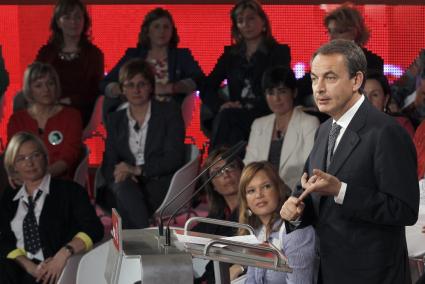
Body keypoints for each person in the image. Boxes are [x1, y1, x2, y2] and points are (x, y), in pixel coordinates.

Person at [280, 39, 419, 283]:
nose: (319, 88)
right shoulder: (324, 130)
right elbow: (312, 196)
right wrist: (296, 211)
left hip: (373, 276)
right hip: (328, 272)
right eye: (314, 78)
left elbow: (405, 211)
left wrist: (342, 191)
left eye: (330, 78)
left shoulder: (386, 132)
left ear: (356, 81)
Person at [0, 132, 103, 284]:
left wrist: (64, 253)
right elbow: (4, 239)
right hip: (17, 271)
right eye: (21, 158)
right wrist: (30, 267)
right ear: (13, 166)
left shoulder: (70, 191)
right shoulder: (9, 198)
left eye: (35, 155)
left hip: (55, 270)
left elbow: (94, 229)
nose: (30, 163)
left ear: (45, 158)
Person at [101, 58, 185, 229]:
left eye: (142, 84)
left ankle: (134, 243)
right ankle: (142, 239)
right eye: (130, 85)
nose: (136, 90)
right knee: (124, 189)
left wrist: (138, 170)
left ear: (151, 86)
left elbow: (174, 157)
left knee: (124, 196)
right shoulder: (115, 119)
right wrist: (121, 173)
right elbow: (108, 162)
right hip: (124, 182)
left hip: (159, 184)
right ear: (123, 89)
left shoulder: (169, 112)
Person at [200, 0, 291, 150]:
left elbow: (280, 85)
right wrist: (221, 105)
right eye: (240, 21)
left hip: (265, 110)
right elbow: (207, 86)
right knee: (231, 125)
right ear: (236, 26)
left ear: (263, 21)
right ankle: (227, 170)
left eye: (251, 18)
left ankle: (214, 168)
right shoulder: (231, 55)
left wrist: (241, 107)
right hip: (236, 114)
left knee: (229, 119)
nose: (246, 24)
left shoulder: (278, 52)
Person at [100, 7, 204, 112]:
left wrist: (173, 88)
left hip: (168, 115)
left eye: (166, 27)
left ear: (172, 31)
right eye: (156, 27)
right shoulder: (133, 54)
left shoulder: (182, 56)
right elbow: (105, 83)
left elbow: (200, 80)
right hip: (133, 112)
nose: (162, 31)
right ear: (148, 31)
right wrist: (125, 89)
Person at [238, 161, 316, 283]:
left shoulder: (295, 231)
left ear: (279, 190)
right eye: (251, 190)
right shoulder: (257, 233)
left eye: (266, 186)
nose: (259, 195)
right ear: (245, 201)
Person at [244, 66, 319, 191]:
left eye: (282, 91)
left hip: (296, 194)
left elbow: (311, 168)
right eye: (271, 93)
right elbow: (249, 166)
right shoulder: (259, 124)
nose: (276, 99)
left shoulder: (308, 123)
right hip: (262, 194)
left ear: (293, 92)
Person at [297, 3, 384, 106]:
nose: (331, 38)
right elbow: (300, 91)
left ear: (355, 32)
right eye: (329, 31)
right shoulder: (322, 60)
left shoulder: (372, 62)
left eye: (339, 31)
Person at [8, 62, 83, 181]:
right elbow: (13, 156)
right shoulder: (17, 120)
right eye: (38, 86)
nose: (46, 89)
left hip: (58, 180)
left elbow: (68, 157)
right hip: (25, 181)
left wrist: (41, 178)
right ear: (29, 90)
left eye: (50, 84)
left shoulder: (72, 116)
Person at [35, 0, 104, 126]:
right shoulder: (46, 53)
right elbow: (35, 81)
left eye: (78, 17)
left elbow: (95, 90)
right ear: (58, 22)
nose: (73, 22)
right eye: (67, 17)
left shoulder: (94, 54)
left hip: (79, 110)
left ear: (84, 21)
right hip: (47, 106)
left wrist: (69, 101)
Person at [192, 147, 244, 284]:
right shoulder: (218, 215)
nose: (225, 174)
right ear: (213, 185)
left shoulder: (254, 211)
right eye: (218, 172)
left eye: (230, 167)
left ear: (242, 171)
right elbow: (190, 236)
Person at [363, 70, 414, 138]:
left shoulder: (400, 126)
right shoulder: (349, 126)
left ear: (385, 100)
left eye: (375, 95)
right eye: (363, 95)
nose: (368, 100)